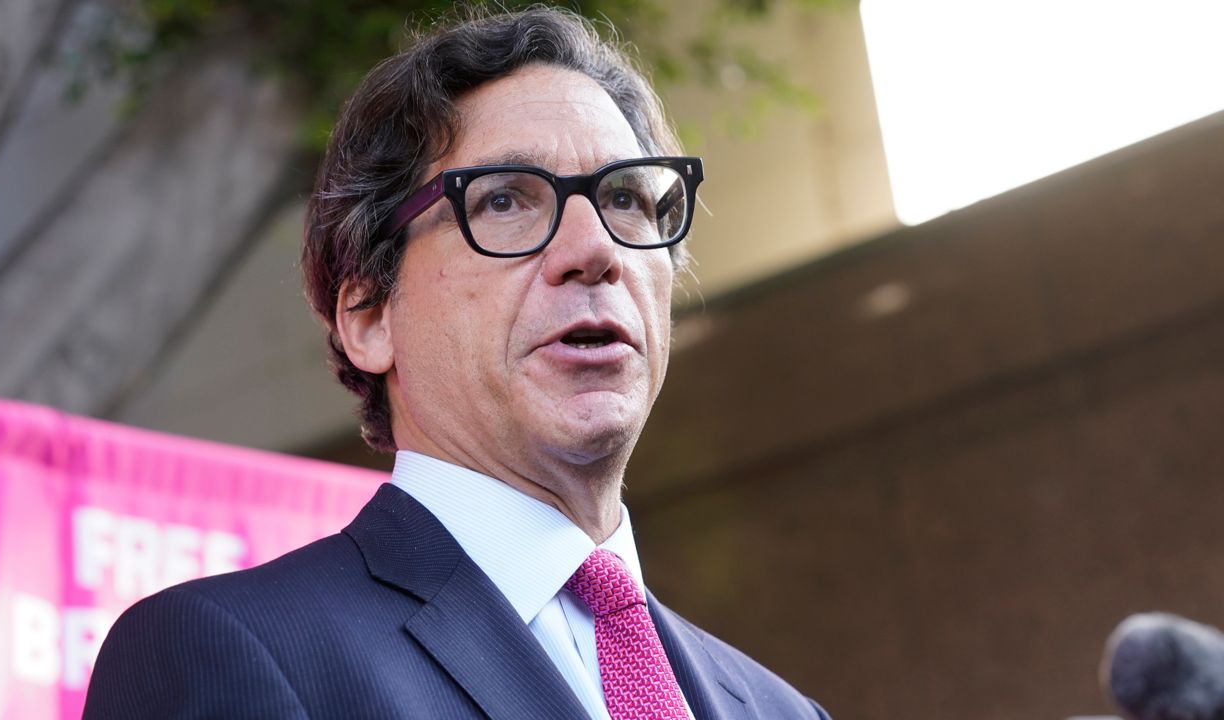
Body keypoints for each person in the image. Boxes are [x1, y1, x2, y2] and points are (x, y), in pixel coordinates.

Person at [84, 7, 829, 719]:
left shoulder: (780, 710)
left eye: (626, 196)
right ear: (369, 319)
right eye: (506, 200)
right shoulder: (232, 653)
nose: (594, 250)